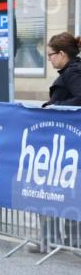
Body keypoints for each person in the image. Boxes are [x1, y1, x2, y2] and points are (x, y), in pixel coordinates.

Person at [40, 32, 81, 249]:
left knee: (55, 190)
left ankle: (57, 241)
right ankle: (62, 240)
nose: (49, 59)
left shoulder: (73, 71)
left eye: (50, 55)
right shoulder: (72, 70)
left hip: (66, 144)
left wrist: (56, 107)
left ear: (62, 54)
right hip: (66, 143)